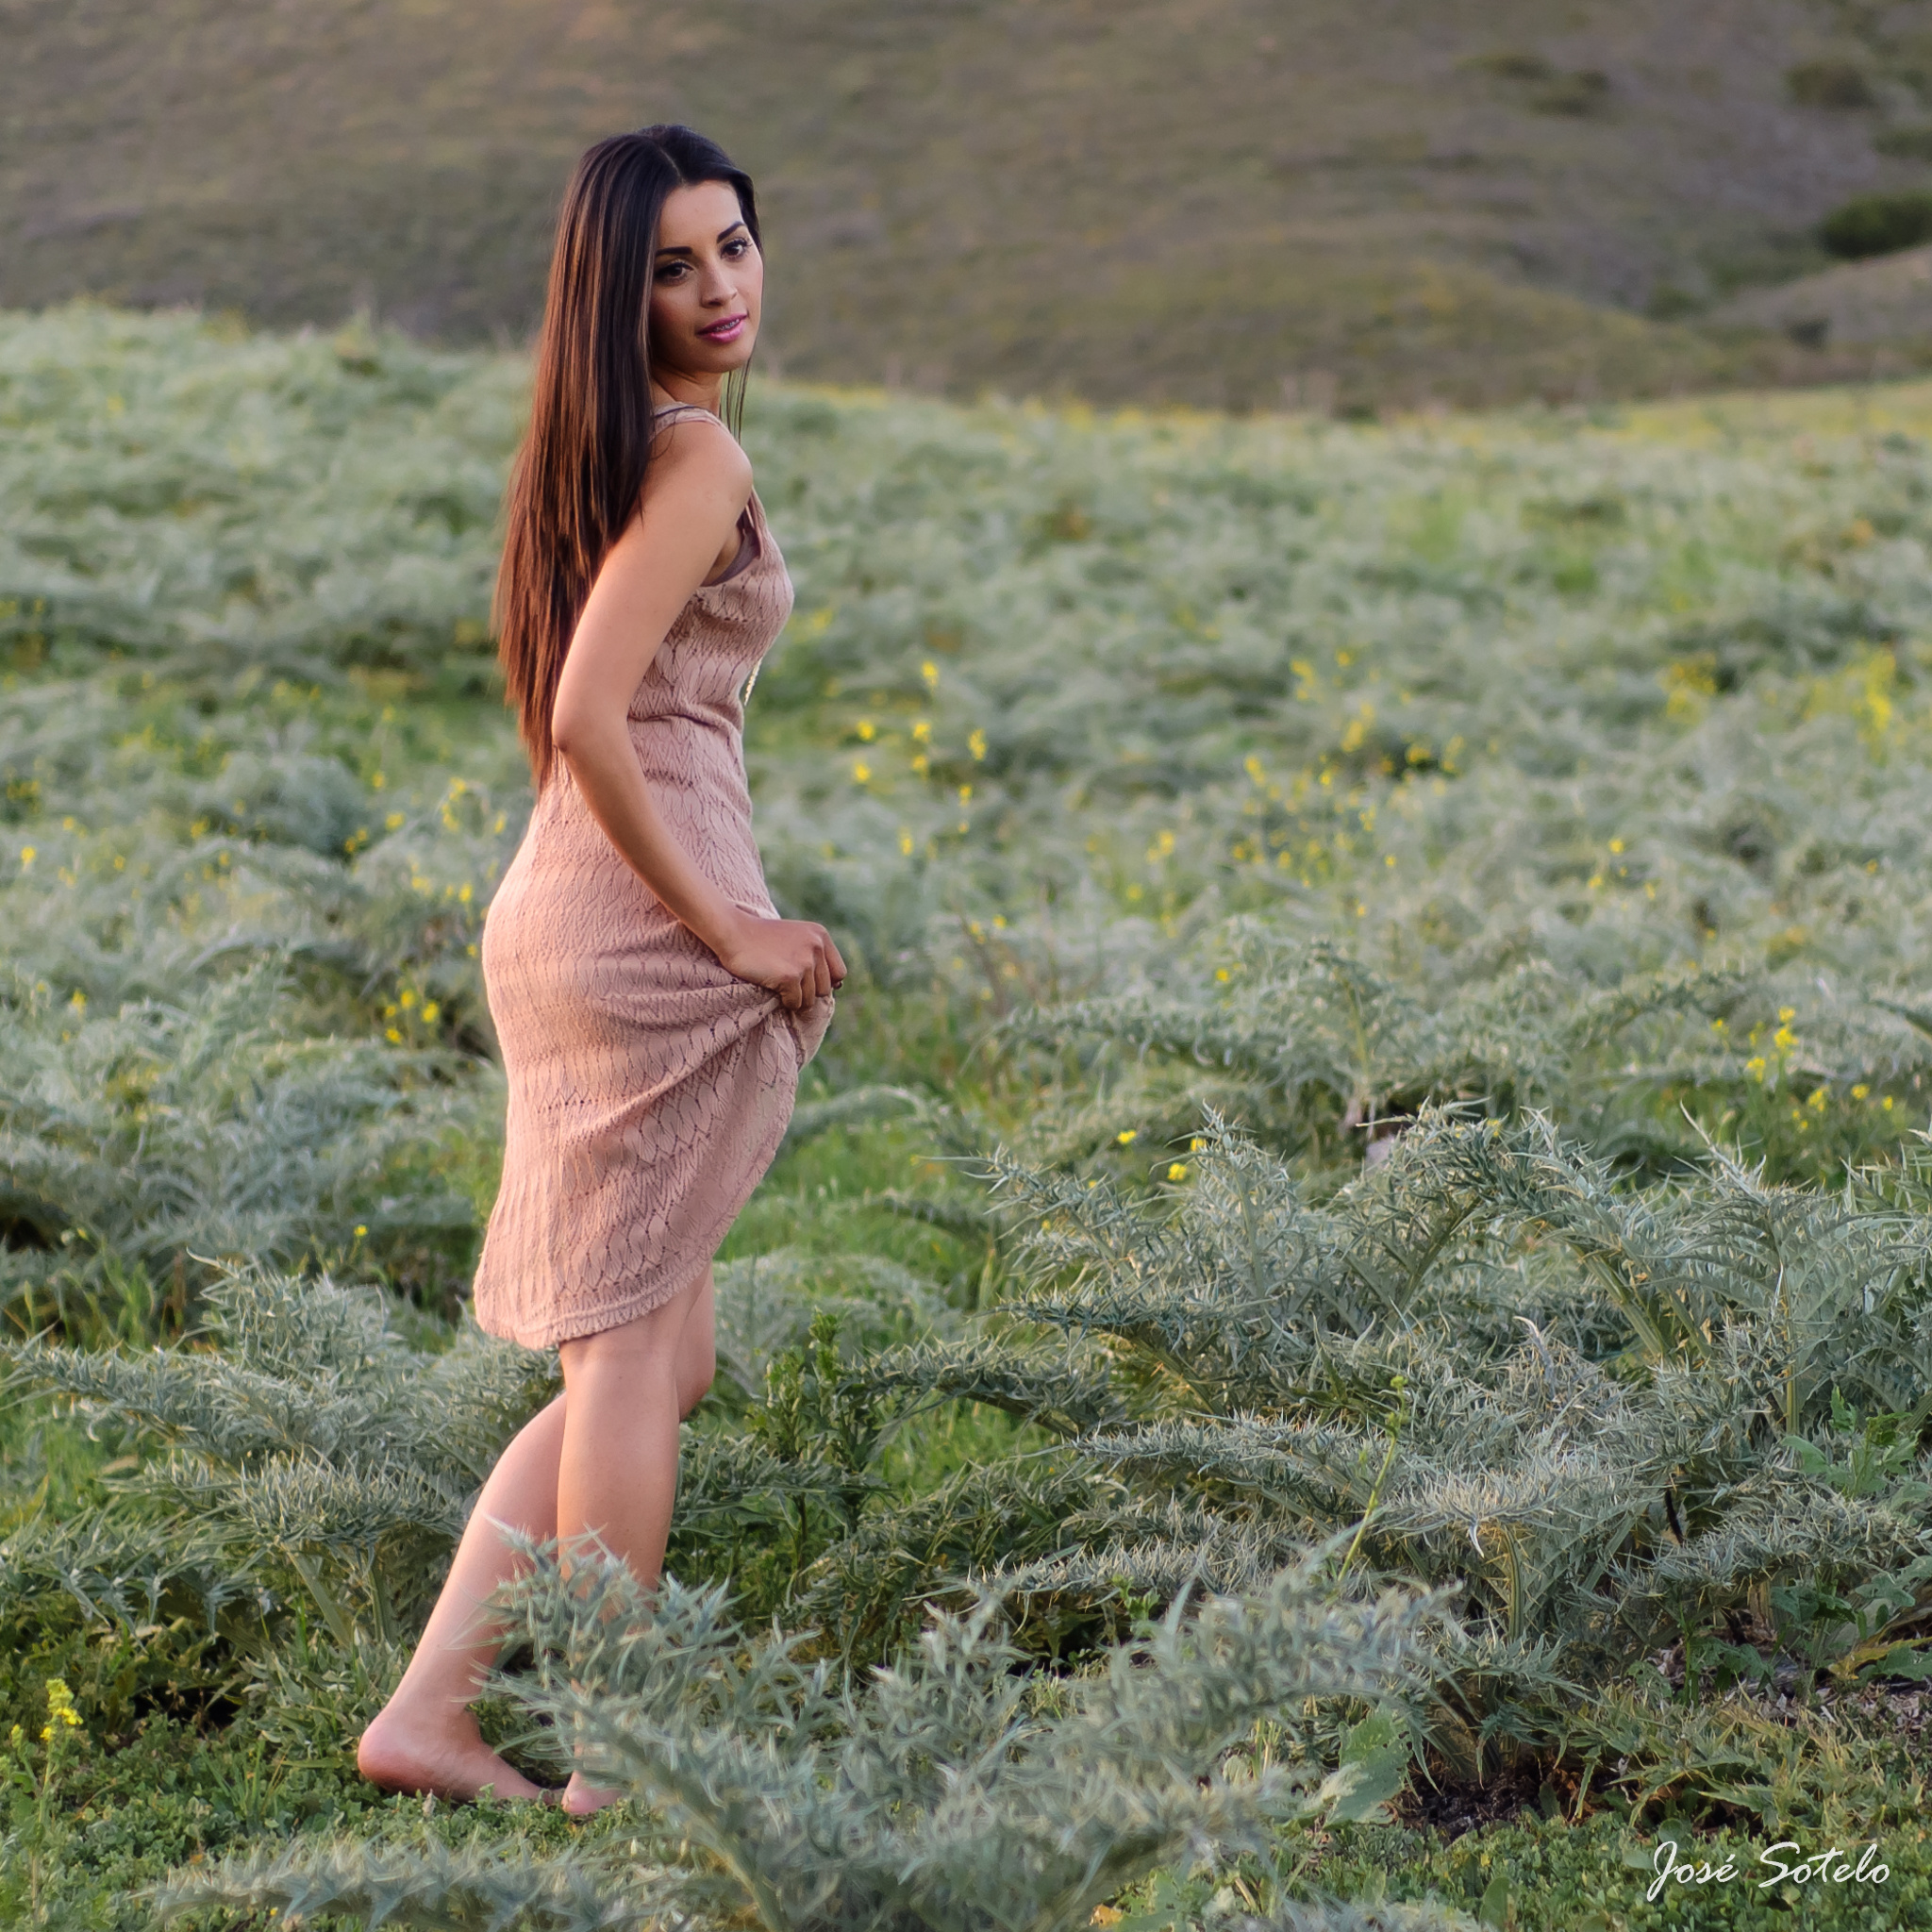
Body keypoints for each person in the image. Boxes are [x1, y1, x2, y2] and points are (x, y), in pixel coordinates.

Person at [357, 124, 844, 1814]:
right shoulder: (690, 454)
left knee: (657, 1353)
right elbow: (584, 715)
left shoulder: (610, 444)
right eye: (672, 264)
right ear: (611, 290)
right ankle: (620, 1761)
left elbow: (589, 710)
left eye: (737, 247)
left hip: (575, 909)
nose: (720, 290)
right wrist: (730, 929)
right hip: (635, 925)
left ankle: (433, 1711)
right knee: (632, 1357)